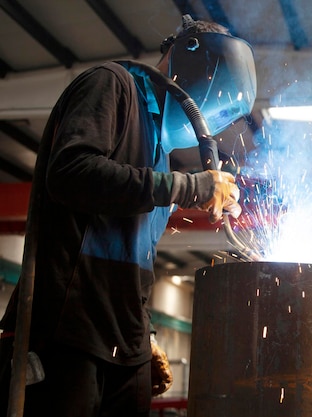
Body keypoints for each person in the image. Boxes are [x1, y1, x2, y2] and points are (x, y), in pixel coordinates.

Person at [0, 14, 256, 417]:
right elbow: (70, 173)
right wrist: (190, 187)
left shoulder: (160, 148)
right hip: (70, 333)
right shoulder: (111, 84)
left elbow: (134, 254)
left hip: (125, 342)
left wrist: (142, 331)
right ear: (187, 62)